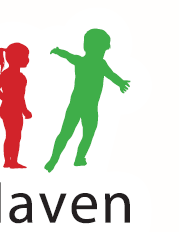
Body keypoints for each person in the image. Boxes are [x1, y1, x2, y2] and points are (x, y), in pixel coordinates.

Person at [44, 28, 132, 171]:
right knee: (78, 134)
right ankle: (59, 160)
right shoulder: (97, 63)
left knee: (74, 134)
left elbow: (68, 56)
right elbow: (111, 75)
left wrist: (58, 51)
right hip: (85, 107)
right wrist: (120, 83)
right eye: (103, 49)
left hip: (81, 106)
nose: (103, 52)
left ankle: (68, 159)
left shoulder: (83, 61)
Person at [0, 43, 33, 169]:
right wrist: (7, 100)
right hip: (8, 110)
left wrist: (24, 110)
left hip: (16, 110)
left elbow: (21, 97)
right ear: (16, 58)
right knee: (12, 136)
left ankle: (11, 161)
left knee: (14, 136)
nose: (28, 59)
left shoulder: (22, 77)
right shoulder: (6, 74)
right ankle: (9, 162)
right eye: (25, 56)